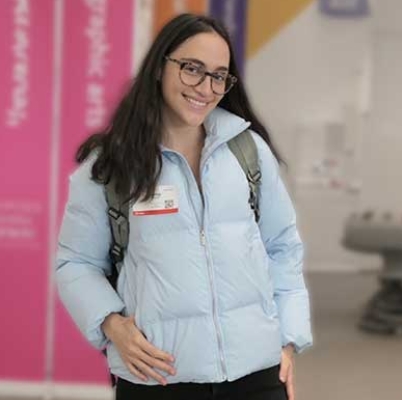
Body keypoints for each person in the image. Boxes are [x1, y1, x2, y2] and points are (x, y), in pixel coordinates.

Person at [55, 13, 312, 400]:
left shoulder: (247, 152)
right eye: (192, 69)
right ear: (160, 67)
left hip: (255, 375)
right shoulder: (111, 164)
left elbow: (282, 247)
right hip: (159, 377)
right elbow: (75, 263)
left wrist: (287, 339)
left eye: (218, 75)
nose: (205, 88)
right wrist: (110, 322)